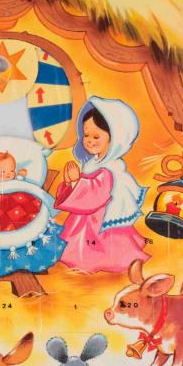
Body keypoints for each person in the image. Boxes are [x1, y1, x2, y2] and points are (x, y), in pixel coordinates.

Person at [55, 96, 150, 273]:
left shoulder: (110, 168)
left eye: (96, 136)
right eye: (86, 135)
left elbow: (95, 194)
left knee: (100, 246)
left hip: (98, 219)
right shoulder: (93, 162)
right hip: (85, 216)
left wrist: (76, 182)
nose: (89, 140)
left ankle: (100, 261)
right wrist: (71, 182)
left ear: (114, 138)